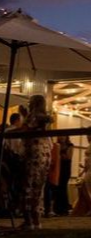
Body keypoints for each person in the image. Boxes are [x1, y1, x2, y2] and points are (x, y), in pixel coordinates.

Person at [20, 95, 52, 229]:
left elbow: (26, 129)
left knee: (28, 185)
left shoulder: (33, 116)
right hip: (44, 154)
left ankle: (29, 220)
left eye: (30, 102)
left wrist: (24, 116)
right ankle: (36, 219)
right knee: (38, 187)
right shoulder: (43, 117)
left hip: (33, 152)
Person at [54, 135, 74, 215]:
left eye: (63, 136)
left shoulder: (70, 146)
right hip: (58, 168)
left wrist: (59, 155)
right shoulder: (57, 145)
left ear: (66, 137)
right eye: (60, 136)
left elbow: (68, 157)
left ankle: (64, 208)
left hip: (65, 168)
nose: (62, 138)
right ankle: (57, 208)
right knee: (57, 188)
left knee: (63, 187)